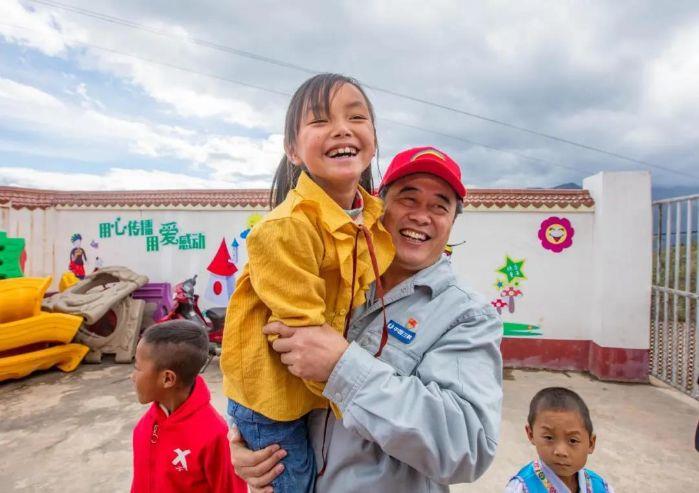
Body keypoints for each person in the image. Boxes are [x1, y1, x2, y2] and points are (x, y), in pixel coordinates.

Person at [230, 146, 503, 493]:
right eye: (408, 199)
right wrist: (249, 442)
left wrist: (342, 369)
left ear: (452, 223)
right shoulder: (330, 277)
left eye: (440, 206)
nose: (422, 216)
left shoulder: (467, 316)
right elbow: (260, 361)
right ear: (379, 205)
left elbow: (467, 446)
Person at [219, 73, 395, 492]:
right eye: (320, 120)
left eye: (357, 117)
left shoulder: (371, 222)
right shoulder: (285, 229)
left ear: (373, 139)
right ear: (292, 150)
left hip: (308, 394)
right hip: (271, 404)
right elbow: (305, 337)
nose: (342, 129)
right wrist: (358, 406)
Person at [130, 320, 246, 493]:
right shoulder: (145, 426)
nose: (132, 377)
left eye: (137, 368)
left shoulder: (214, 435)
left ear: (168, 379)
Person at [505, 387, 615, 493]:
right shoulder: (522, 488)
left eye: (573, 440)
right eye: (549, 438)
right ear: (531, 434)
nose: (560, 451)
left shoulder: (600, 487)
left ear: (591, 444)